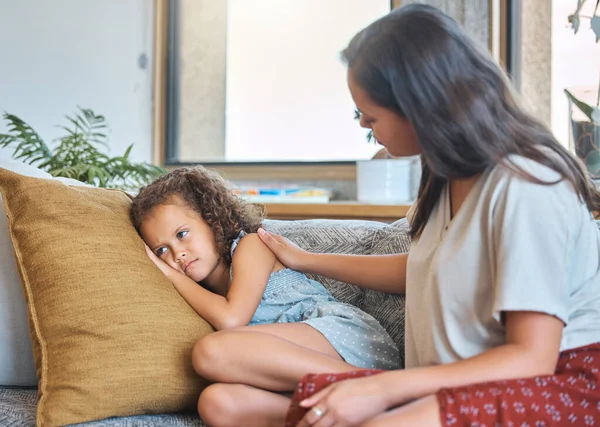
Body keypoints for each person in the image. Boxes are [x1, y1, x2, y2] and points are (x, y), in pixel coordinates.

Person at [257, 4, 600, 426]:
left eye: (370, 114)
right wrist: (306, 259)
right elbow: (426, 267)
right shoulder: (445, 173)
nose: (364, 125)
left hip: (558, 382)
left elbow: (532, 358)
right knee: (227, 403)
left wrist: (380, 387)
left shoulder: (527, 184)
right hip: (461, 381)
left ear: (420, 104)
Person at [128, 166, 400, 426]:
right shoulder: (203, 295)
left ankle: (382, 389)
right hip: (296, 374)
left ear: (211, 219)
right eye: (162, 251)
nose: (177, 254)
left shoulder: (250, 246)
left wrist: (170, 274)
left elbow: (231, 319)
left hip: (340, 339)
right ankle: (349, 415)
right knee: (216, 402)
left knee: (211, 351)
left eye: (182, 234)